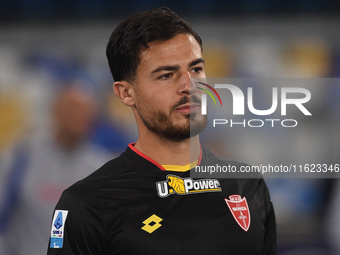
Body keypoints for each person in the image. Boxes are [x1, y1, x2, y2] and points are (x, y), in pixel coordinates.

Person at [47, 7, 276, 255]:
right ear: (125, 93)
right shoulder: (87, 204)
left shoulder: (247, 184)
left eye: (196, 69)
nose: (189, 86)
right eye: (166, 75)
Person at [0, 84, 112, 255]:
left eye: (87, 111)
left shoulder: (104, 167)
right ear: (56, 112)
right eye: (74, 109)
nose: (81, 116)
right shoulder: (20, 160)